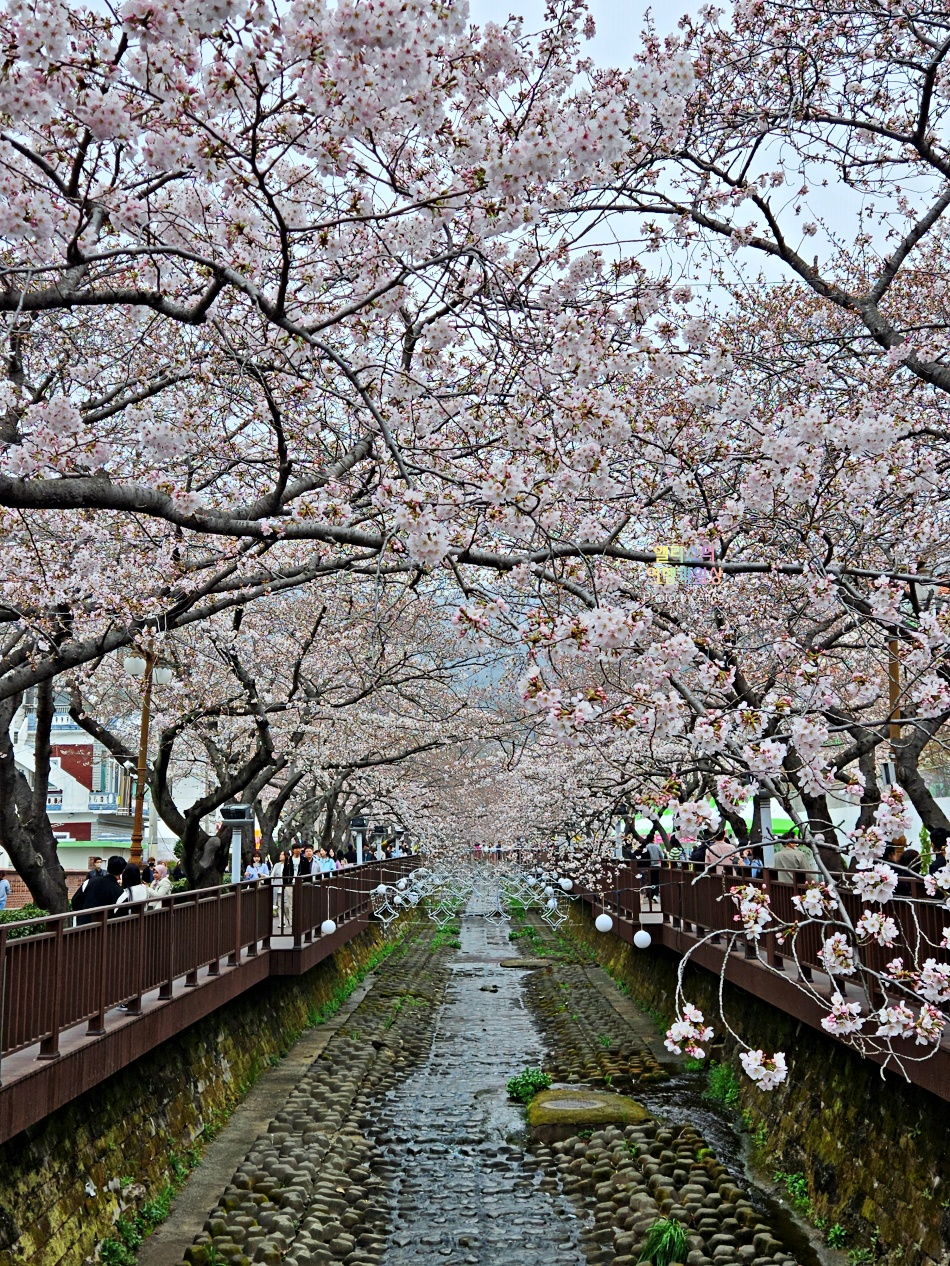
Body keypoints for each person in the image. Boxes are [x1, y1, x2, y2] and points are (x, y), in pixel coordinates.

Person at [77, 855, 126, 924]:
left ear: (107, 867)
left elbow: (75, 900)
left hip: (82, 927)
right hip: (105, 930)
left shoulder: (89, 882)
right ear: (122, 872)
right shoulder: (120, 893)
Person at [271, 848, 295, 928]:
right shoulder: (276, 865)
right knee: (280, 905)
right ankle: (281, 922)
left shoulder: (289, 864)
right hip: (277, 887)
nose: (280, 856)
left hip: (286, 886)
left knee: (287, 905)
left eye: (282, 854)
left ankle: (289, 919)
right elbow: (272, 876)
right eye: (280, 854)